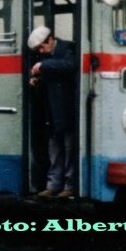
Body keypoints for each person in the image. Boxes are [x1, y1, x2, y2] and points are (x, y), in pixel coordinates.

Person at [27, 26, 75, 199]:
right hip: (52, 111)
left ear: (50, 39)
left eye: (42, 46)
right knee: (55, 149)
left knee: (69, 150)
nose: (41, 51)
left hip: (67, 110)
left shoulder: (68, 48)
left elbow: (70, 65)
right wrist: (36, 80)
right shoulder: (46, 55)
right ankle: (53, 185)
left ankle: (69, 186)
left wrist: (43, 65)